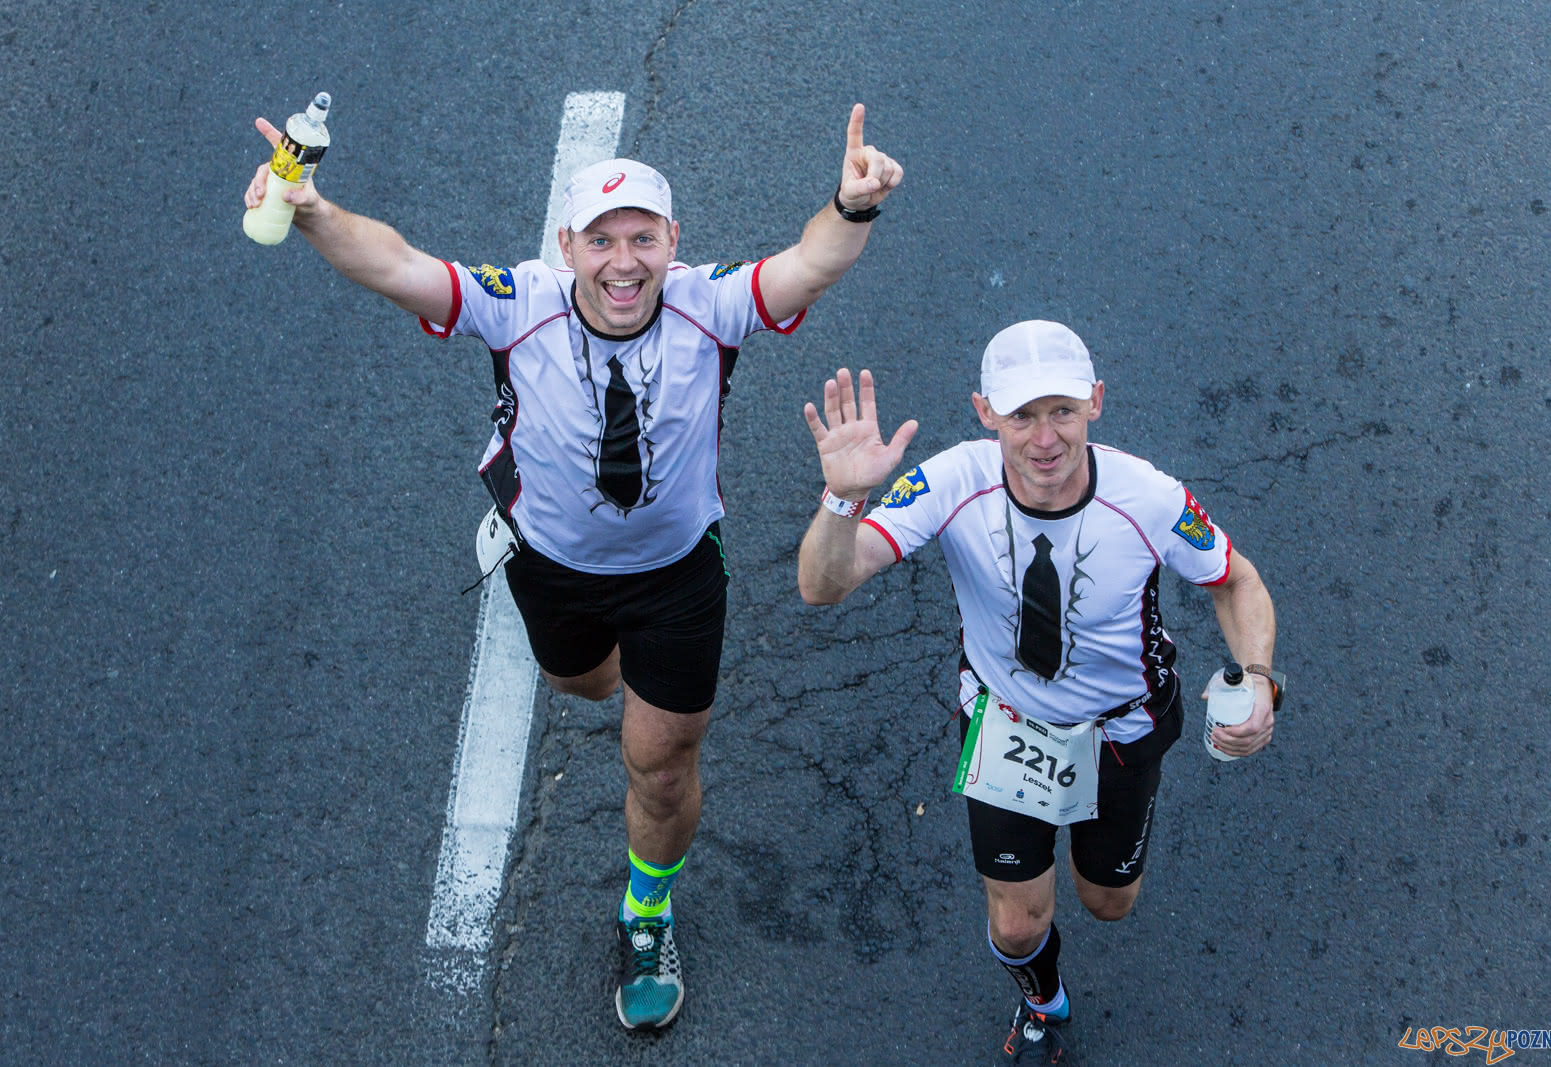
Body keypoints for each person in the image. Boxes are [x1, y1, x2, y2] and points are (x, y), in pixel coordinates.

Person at [243, 104, 903, 1031]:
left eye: (642, 238)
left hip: (677, 571)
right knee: (583, 682)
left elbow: (811, 262)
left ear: (675, 242)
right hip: (554, 564)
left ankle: (646, 913)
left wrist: (853, 203)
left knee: (662, 759)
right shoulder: (519, 301)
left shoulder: (709, 302)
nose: (623, 261)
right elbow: (396, 265)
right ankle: (524, 549)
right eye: (602, 239)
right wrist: (309, 211)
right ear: (568, 246)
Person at [796, 321, 1281, 1064]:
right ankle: (1042, 1002)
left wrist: (1261, 676)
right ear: (985, 412)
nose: (1044, 437)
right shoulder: (953, 480)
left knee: (1108, 902)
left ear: (1096, 401)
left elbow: (1236, 579)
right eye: (1021, 415)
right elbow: (822, 584)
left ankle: (1098, 870)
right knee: (1019, 924)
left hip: (1123, 729)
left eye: (1062, 410)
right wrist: (840, 499)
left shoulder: (1149, 498)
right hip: (1007, 725)